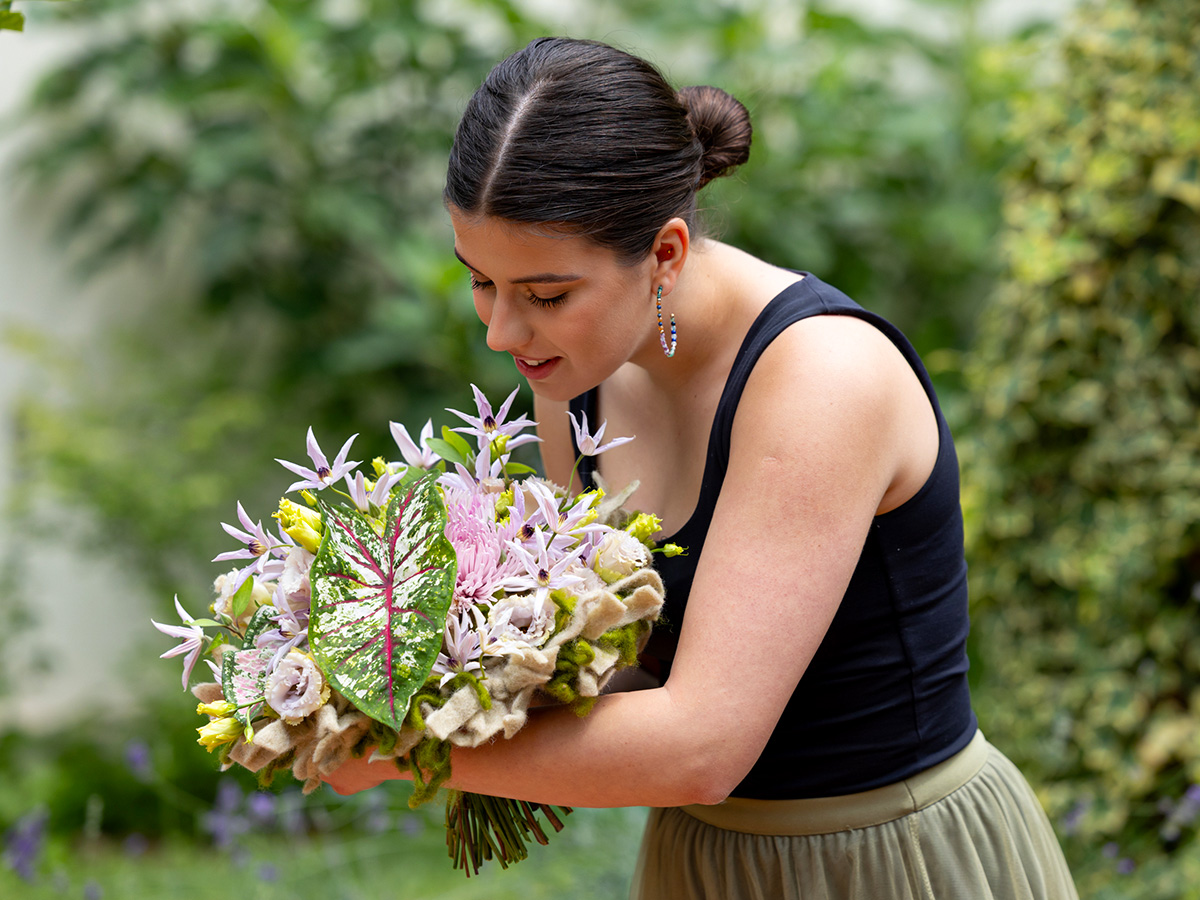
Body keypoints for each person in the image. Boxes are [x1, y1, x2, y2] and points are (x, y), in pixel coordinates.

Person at [325, 36, 1077, 899]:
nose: (501, 332)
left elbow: (701, 747)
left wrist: (405, 749)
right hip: (699, 861)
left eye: (546, 295)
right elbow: (618, 656)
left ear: (667, 255)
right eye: (481, 282)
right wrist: (400, 667)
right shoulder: (575, 376)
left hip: (881, 859)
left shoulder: (823, 379)